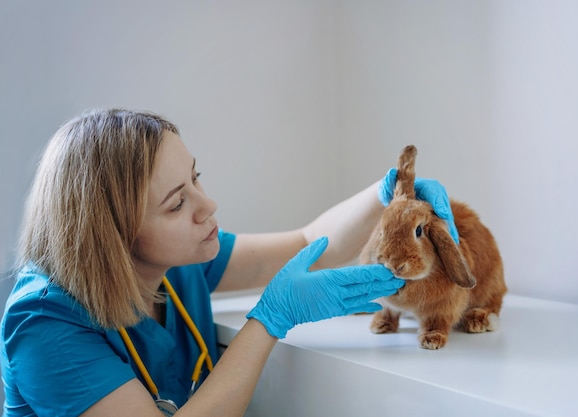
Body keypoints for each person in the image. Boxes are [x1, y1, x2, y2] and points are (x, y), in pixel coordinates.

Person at [0, 108, 458, 417]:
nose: (209, 205)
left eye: (195, 177)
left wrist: (389, 192)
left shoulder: (176, 264)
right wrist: (271, 319)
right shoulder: (45, 323)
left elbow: (306, 240)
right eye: (177, 203)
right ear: (113, 235)